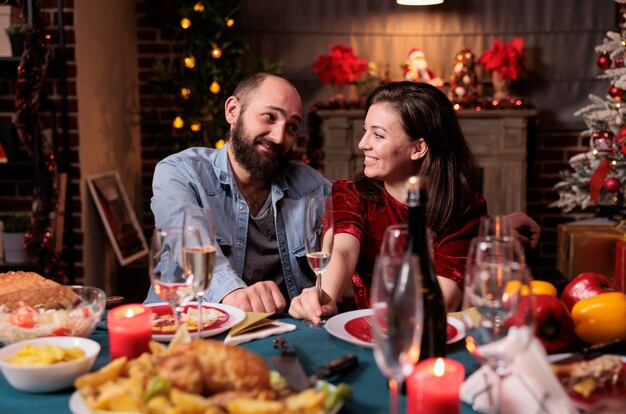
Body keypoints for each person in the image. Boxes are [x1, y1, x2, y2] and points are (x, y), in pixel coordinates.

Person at [289, 81, 541, 324]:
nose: (362, 144)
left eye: (377, 135)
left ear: (418, 148)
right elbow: (342, 250)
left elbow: (445, 295)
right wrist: (325, 296)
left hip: (430, 334)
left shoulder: (464, 210)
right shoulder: (352, 194)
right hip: (368, 332)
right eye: (364, 131)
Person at [145, 72, 331, 314]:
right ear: (233, 111)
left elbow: (358, 211)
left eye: (291, 127)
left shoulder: (311, 187)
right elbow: (188, 241)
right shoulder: (180, 172)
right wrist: (232, 293)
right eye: (269, 117)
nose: (278, 137)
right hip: (184, 327)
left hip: (274, 334)